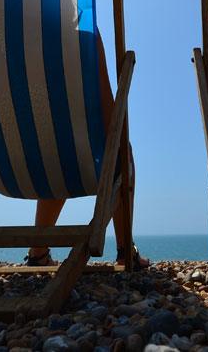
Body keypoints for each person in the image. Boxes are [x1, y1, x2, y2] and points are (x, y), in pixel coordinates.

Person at [25, 35, 149, 269]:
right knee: (120, 151)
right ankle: (125, 250)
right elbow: (107, 115)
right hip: (60, 150)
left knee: (53, 148)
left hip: (2, 161)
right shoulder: (75, 29)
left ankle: (38, 251)